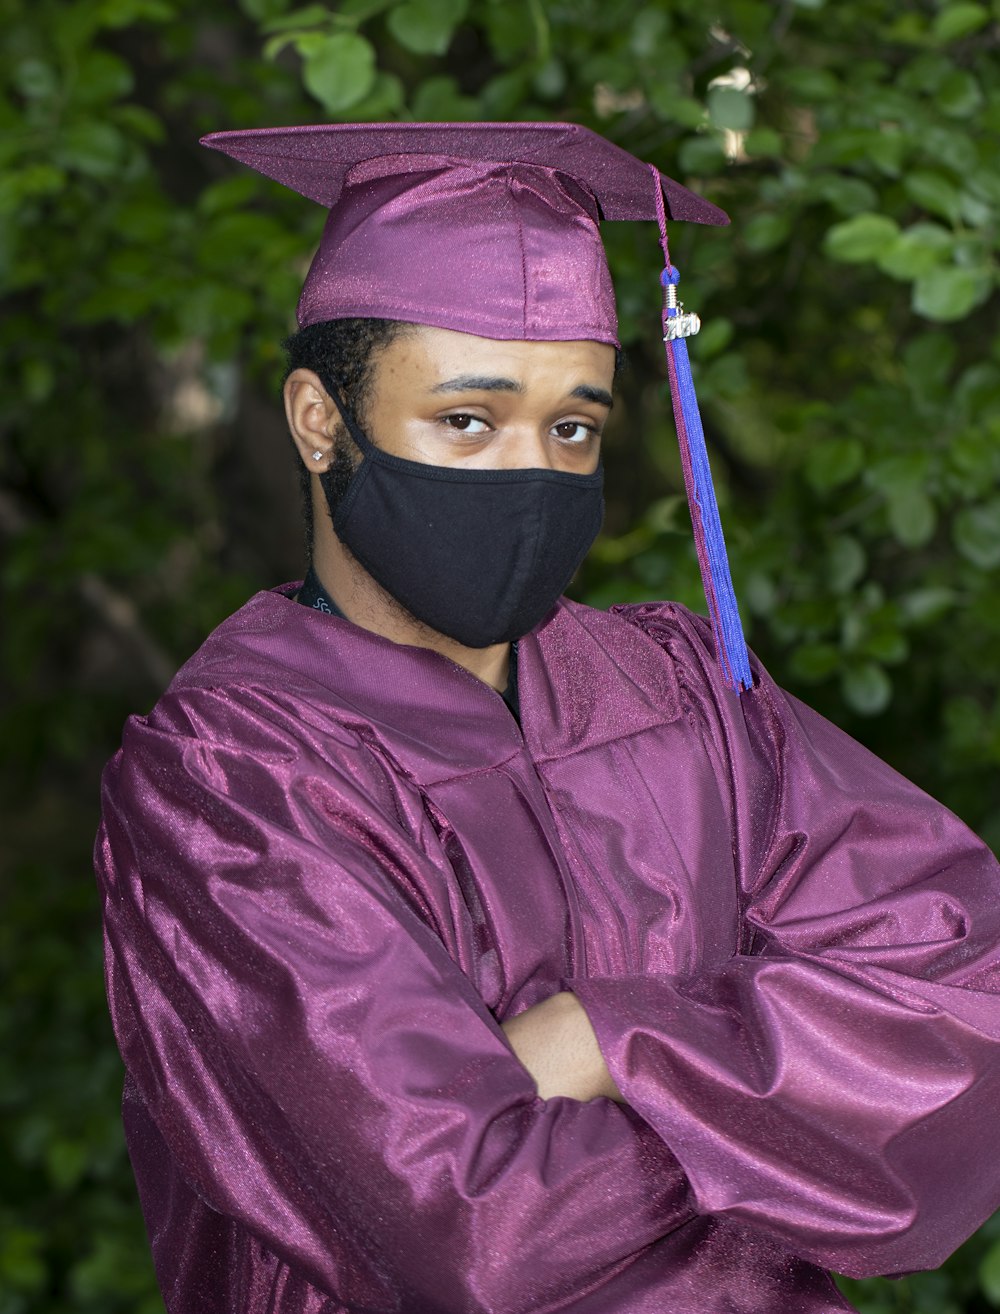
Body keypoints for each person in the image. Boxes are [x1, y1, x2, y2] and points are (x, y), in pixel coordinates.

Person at [94, 122, 1000, 1314]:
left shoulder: (675, 689)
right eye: (466, 422)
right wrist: (791, 1114)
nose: (530, 476)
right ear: (321, 421)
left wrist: (602, 1039)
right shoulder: (229, 779)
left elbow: (969, 1004)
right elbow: (474, 1234)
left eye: (570, 427)